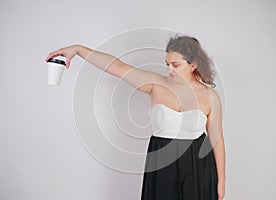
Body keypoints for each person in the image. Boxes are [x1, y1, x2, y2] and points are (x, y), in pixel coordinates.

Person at [45, 34, 226, 200]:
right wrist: (78, 49)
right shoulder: (155, 84)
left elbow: (217, 140)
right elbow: (117, 67)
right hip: (162, 164)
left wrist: (221, 182)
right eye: (167, 63)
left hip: (198, 166)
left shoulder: (209, 96)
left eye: (176, 65)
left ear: (193, 64)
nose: (169, 69)